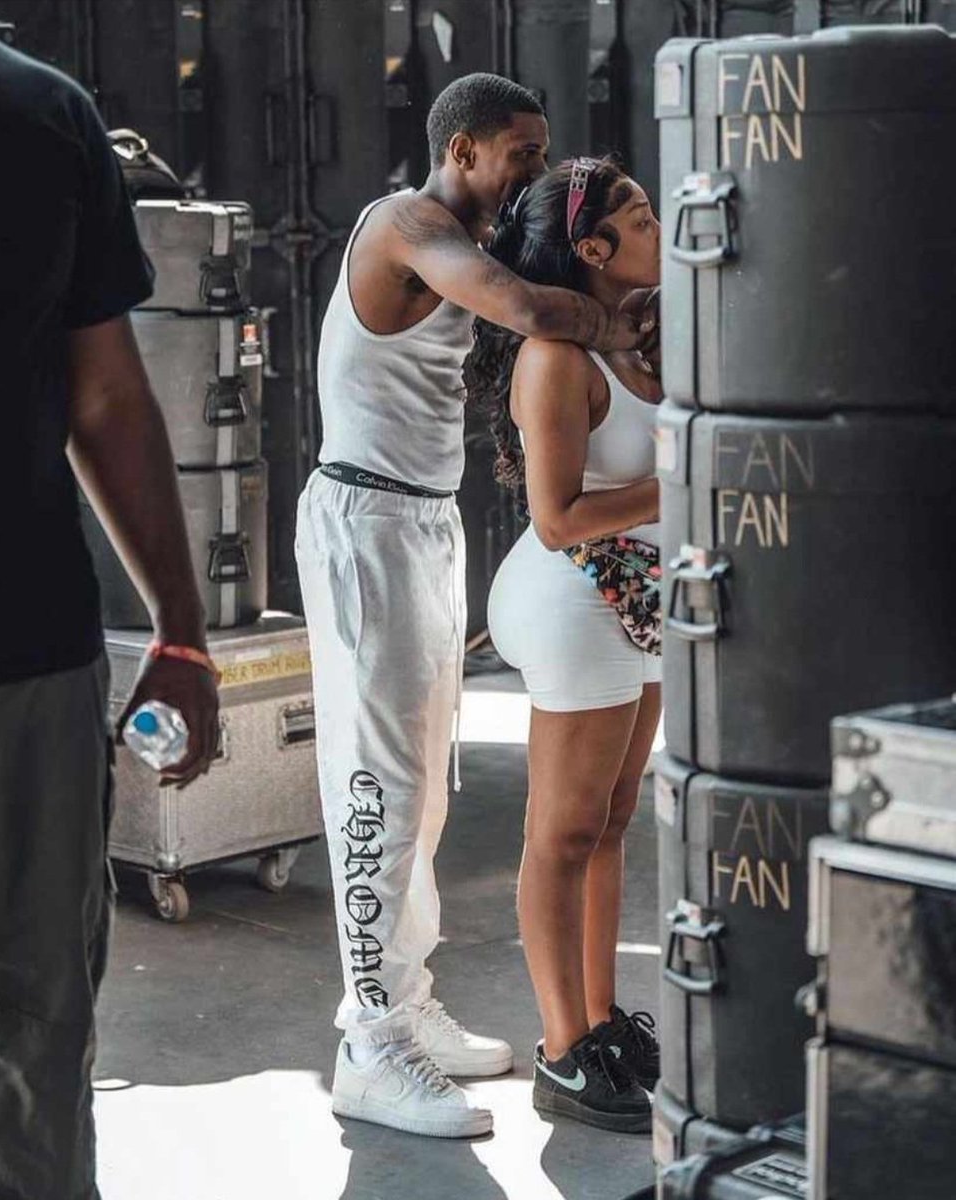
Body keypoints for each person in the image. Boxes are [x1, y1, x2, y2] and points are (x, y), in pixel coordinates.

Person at [295, 75, 657, 1140]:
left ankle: (403, 1004)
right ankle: (369, 1047)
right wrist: (622, 308)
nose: (532, 170)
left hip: (421, 518)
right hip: (365, 516)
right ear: (461, 149)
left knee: (423, 794)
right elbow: (537, 309)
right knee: (375, 784)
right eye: (521, 152)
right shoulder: (406, 226)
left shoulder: (470, 240)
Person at [0, 38, 219, 1199]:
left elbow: (106, 392)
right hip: (26, 665)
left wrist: (180, 629)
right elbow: (107, 395)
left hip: (25, 660)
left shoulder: (42, 116)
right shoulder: (42, 109)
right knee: (29, 1024)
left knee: (35, 1021)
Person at [465, 157, 664, 1133]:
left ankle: (598, 1022)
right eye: (642, 218)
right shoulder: (555, 360)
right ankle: (560, 1052)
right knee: (564, 831)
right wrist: (688, 480)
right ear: (591, 247)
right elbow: (555, 519)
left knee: (613, 820)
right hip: (573, 598)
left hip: (643, 599)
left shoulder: (638, 340)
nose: (660, 229)